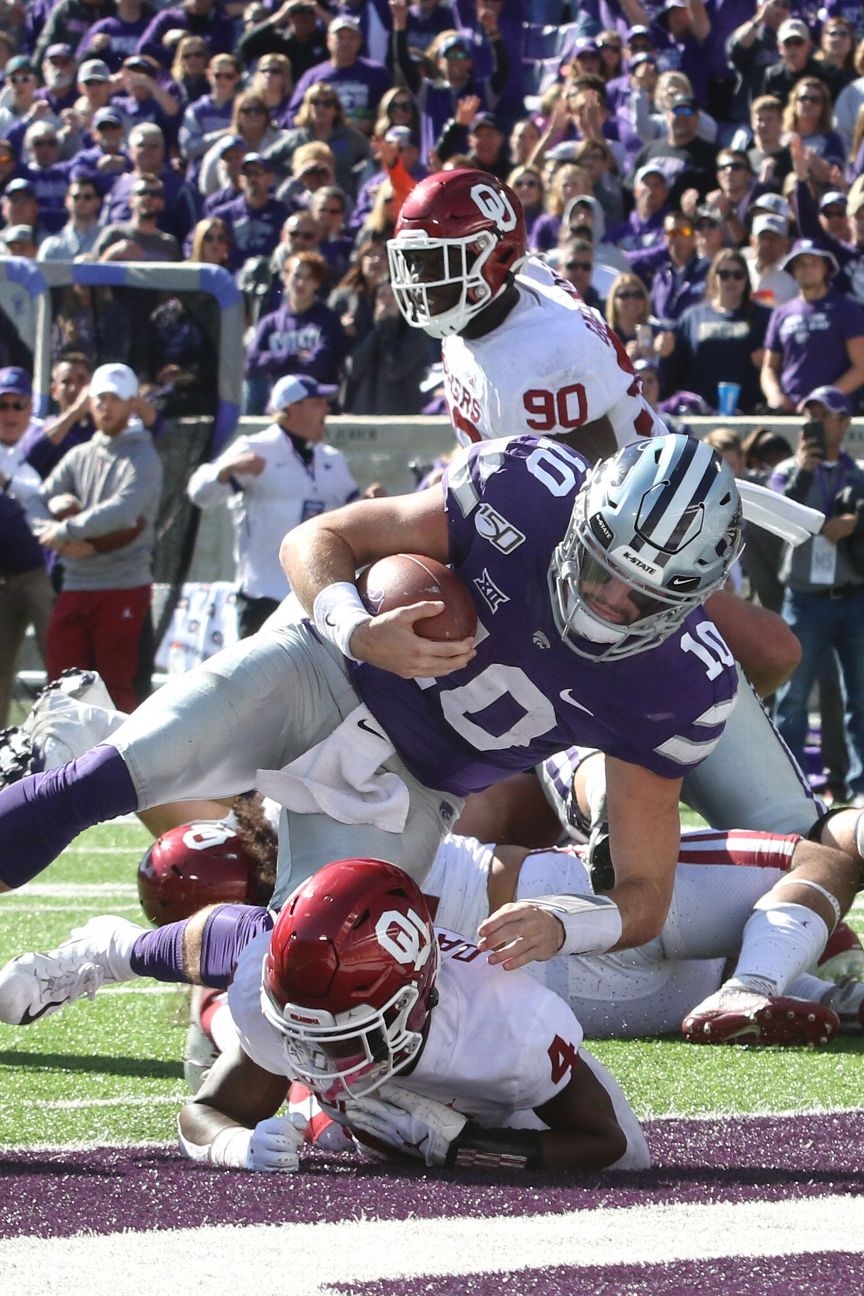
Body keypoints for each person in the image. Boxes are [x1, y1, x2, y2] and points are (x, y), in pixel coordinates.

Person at [0, 431, 743, 969]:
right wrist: (355, 629)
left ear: (693, 599)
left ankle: (106, 957)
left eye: (645, 594)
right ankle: (83, 736)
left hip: (414, 787)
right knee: (104, 778)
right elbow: (317, 538)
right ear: (582, 521)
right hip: (320, 669)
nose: (611, 600)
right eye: (600, 568)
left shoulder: (680, 683)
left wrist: (566, 923)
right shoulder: (527, 491)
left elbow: (645, 894)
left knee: (308, 961)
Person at [0, 856, 651, 1175]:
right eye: (306, 1034)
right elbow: (204, 1114)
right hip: (273, 967)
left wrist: (471, 1150)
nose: (318, 1062)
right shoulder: (274, 995)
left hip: (482, 1099)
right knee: (247, 955)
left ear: (413, 1003)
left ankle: (312, 1108)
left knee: (634, 1172)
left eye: (346, 1037)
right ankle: (124, 955)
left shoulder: (512, 1029)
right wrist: (236, 1147)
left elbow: (609, 1144)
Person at [386, 168, 664, 460]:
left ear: (492, 256)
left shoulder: (550, 360)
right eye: (413, 260)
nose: (418, 278)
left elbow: (595, 489)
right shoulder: (507, 291)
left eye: (435, 261)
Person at [24, 363, 163, 711]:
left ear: (132, 404)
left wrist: (65, 529)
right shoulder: (79, 454)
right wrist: (50, 534)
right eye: (100, 398)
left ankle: (116, 767)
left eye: (115, 398)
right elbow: (36, 500)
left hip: (123, 585)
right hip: (74, 585)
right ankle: (67, 765)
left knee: (118, 691)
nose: (106, 406)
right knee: (62, 691)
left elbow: (124, 511)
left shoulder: (144, 457)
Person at [187, 373, 361, 637]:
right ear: (293, 407)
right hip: (263, 594)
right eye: (318, 401)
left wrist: (372, 503)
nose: (327, 408)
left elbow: (353, 515)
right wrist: (225, 470)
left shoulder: (331, 459)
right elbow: (199, 494)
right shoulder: (257, 448)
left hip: (314, 593)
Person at [769, 388, 864, 807]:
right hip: (804, 600)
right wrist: (804, 474)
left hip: (851, 597)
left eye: (825, 416)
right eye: (811, 415)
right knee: (792, 697)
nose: (817, 423)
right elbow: (777, 519)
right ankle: (790, 789)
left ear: (844, 423)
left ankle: (859, 788)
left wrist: (853, 526)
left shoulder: (857, 475)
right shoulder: (788, 471)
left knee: (859, 696)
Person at [0, 368, 54, 726]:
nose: (10, 413)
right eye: (2, 405)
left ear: (30, 406)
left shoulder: (46, 440)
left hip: (43, 574)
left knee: (62, 667)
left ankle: (67, 754)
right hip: (2, 578)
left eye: (18, 404)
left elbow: (44, 494)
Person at [760, 240, 864, 412]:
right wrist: (775, 396)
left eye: (814, 263)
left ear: (825, 268)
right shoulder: (781, 313)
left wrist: (824, 400)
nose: (807, 269)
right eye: (801, 264)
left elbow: (861, 367)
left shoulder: (846, 309)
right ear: (793, 270)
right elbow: (769, 367)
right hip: (789, 411)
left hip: (832, 414)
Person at [668, 248, 772, 415]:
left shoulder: (764, 316)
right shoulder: (693, 317)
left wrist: (766, 360)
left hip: (750, 411)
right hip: (701, 412)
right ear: (713, 277)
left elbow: (778, 360)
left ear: (746, 279)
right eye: (724, 274)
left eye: (738, 275)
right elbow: (676, 368)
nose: (731, 280)